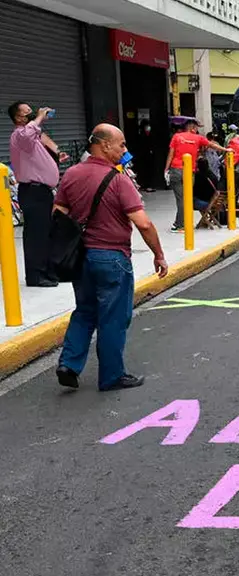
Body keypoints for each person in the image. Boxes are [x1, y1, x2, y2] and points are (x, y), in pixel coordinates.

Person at [53, 124, 168, 391]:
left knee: (84, 311)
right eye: (122, 144)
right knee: (113, 318)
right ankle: (112, 376)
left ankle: (68, 364)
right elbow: (144, 224)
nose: (124, 150)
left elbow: (58, 212)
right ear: (105, 145)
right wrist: (159, 255)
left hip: (81, 257)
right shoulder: (118, 180)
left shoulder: (71, 174)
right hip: (112, 258)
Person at [7, 101, 67, 287]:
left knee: (46, 233)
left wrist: (58, 150)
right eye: (28, 113)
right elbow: (28, 134)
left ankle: (47, 271)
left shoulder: (32, 135)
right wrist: (40, 117)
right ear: (18, 118)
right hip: (32, 191)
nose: (32, 114)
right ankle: (35, 276)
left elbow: (42, 136)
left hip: (43, 191)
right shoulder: (19, 135)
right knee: (36, 236)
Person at [164, 119, 228, 233]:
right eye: (197, 127)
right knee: (187, 197)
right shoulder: (198, 138)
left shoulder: (176, 137)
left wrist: (166, 169)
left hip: (176, 169)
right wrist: (226, 149)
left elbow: (171, 153)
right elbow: (213, 145)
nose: (197, 129)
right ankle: (181, 223)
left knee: (181, 198)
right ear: (192, 127)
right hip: (190, 171)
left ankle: (180, 224)